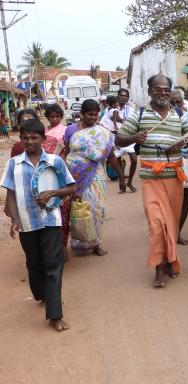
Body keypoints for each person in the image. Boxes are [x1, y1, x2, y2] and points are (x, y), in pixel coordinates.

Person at [116, 74, 188, 288]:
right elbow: (119, 138)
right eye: (158, 89)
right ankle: (159, 267)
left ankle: (168, 261)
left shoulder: (179, 114)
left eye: (166, 89)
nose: (162, 93)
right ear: (149, 91)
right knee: (157, 224)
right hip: (151, 179)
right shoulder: (139, 114)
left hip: (174, 177)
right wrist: (133, 138)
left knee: (171, 224)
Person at [1, 119, 76, 332]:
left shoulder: (55, 162)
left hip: (50, 220)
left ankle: (55, 315)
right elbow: (11, 196)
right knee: (34, 264)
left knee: (54, 265)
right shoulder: (14, 163)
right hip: (26, 223)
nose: (29, 141)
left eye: (34, 137)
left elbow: (71, 187)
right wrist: (14, 220)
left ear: (44, 139)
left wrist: (54, 192)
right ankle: (42, 294)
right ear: (21, 139)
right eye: (25, 137)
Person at [63, 99, 125, 257]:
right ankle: (79, 241)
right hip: (75, 176)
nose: (93, 117)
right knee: (77, 209)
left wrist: (121, 176)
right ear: (82, 114)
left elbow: (110, 156)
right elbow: (66, 152)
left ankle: (96, 242)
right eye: (90, 114)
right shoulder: (70, 130)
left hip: (96, 174)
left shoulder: (102, 132)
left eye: (96, 114)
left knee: (97, 209)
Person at [169, 89, 188, 245]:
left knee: (187, 197)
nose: (175, 105)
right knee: (172, 199)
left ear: (183, 102)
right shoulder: (164, 120)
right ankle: (170, 231)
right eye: (172, 102)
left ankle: (177, 232)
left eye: (178, 102)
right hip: (170, 163)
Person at [116, 88, 138, 193]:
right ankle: (122, 182)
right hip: (116, 138)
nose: (123, 97)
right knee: (116, 160)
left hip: (128, 137)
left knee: (134, 160)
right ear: (118, 96)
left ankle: (130, 182)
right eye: (121, 95)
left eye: (126, 96)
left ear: (128, 98)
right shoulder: (111, 108)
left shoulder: (131, 109)